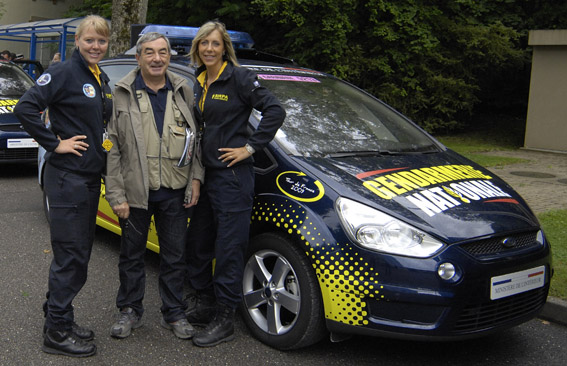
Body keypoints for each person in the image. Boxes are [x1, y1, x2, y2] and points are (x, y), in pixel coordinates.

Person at [13, 15, 111, 358]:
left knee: (78, 254)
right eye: (89, 40)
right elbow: (27, 107)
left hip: (86, 179)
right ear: (78, 42)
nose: (95, 46)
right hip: (68, 178)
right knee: (71, 257)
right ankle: (56, 331)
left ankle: (60, 317)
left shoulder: (99, 76)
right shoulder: (63, 72)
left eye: (101, 41)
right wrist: (54, 143)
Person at [185, 20, 286, 347]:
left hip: (231, 178)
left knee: (228, 249)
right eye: (204, 43)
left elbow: (275, 110)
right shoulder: (200, 80)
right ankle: (205, 302)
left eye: (215, 43)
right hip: (206, 176)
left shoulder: (239, 77)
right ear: (198, 48)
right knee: (198, 243)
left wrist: (250, 147)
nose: (209, 49)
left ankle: (225, 318)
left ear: (224, 47)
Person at [104, 32, 204, 340]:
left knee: (174, 257)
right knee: (131, 256)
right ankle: (129, 310)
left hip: (174, 193)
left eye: (162, 52)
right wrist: (116, 194)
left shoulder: (183, 90)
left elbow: (197, 140)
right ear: (138, 57)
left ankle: (173, 313)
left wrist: (196, 178)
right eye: (149, 52)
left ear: (169, 57)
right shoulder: (121, 93)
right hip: (134, 194)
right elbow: (113, 147)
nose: (156, 58)